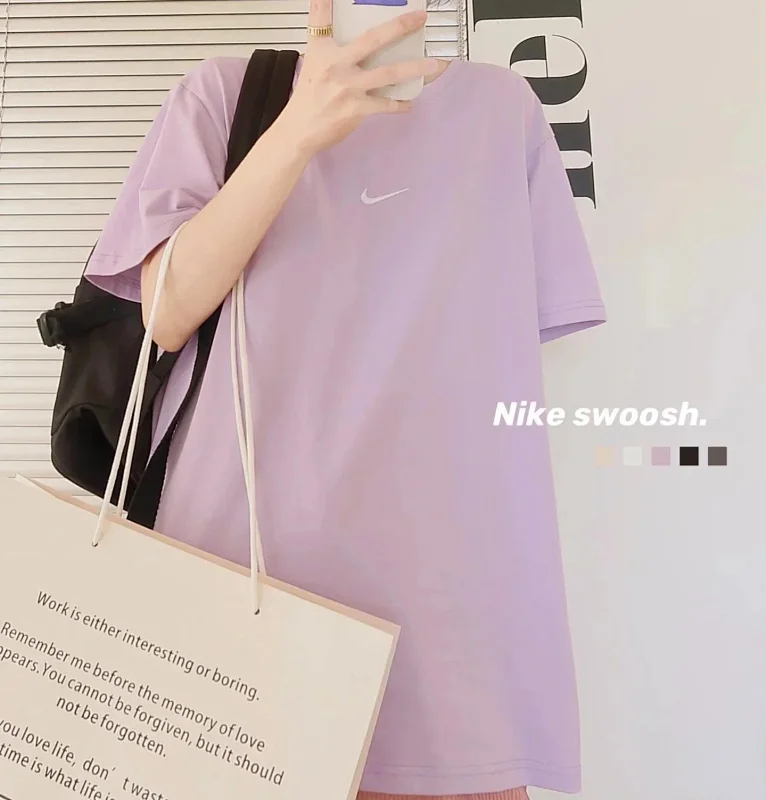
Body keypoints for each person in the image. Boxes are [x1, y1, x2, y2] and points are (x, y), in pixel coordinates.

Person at [84, 0, 607, 795]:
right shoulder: (225, 93)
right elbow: (165, 313)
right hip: (236, 589)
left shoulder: (504, 110)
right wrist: (296, 132)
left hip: (449, 627)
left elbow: (483, 355)